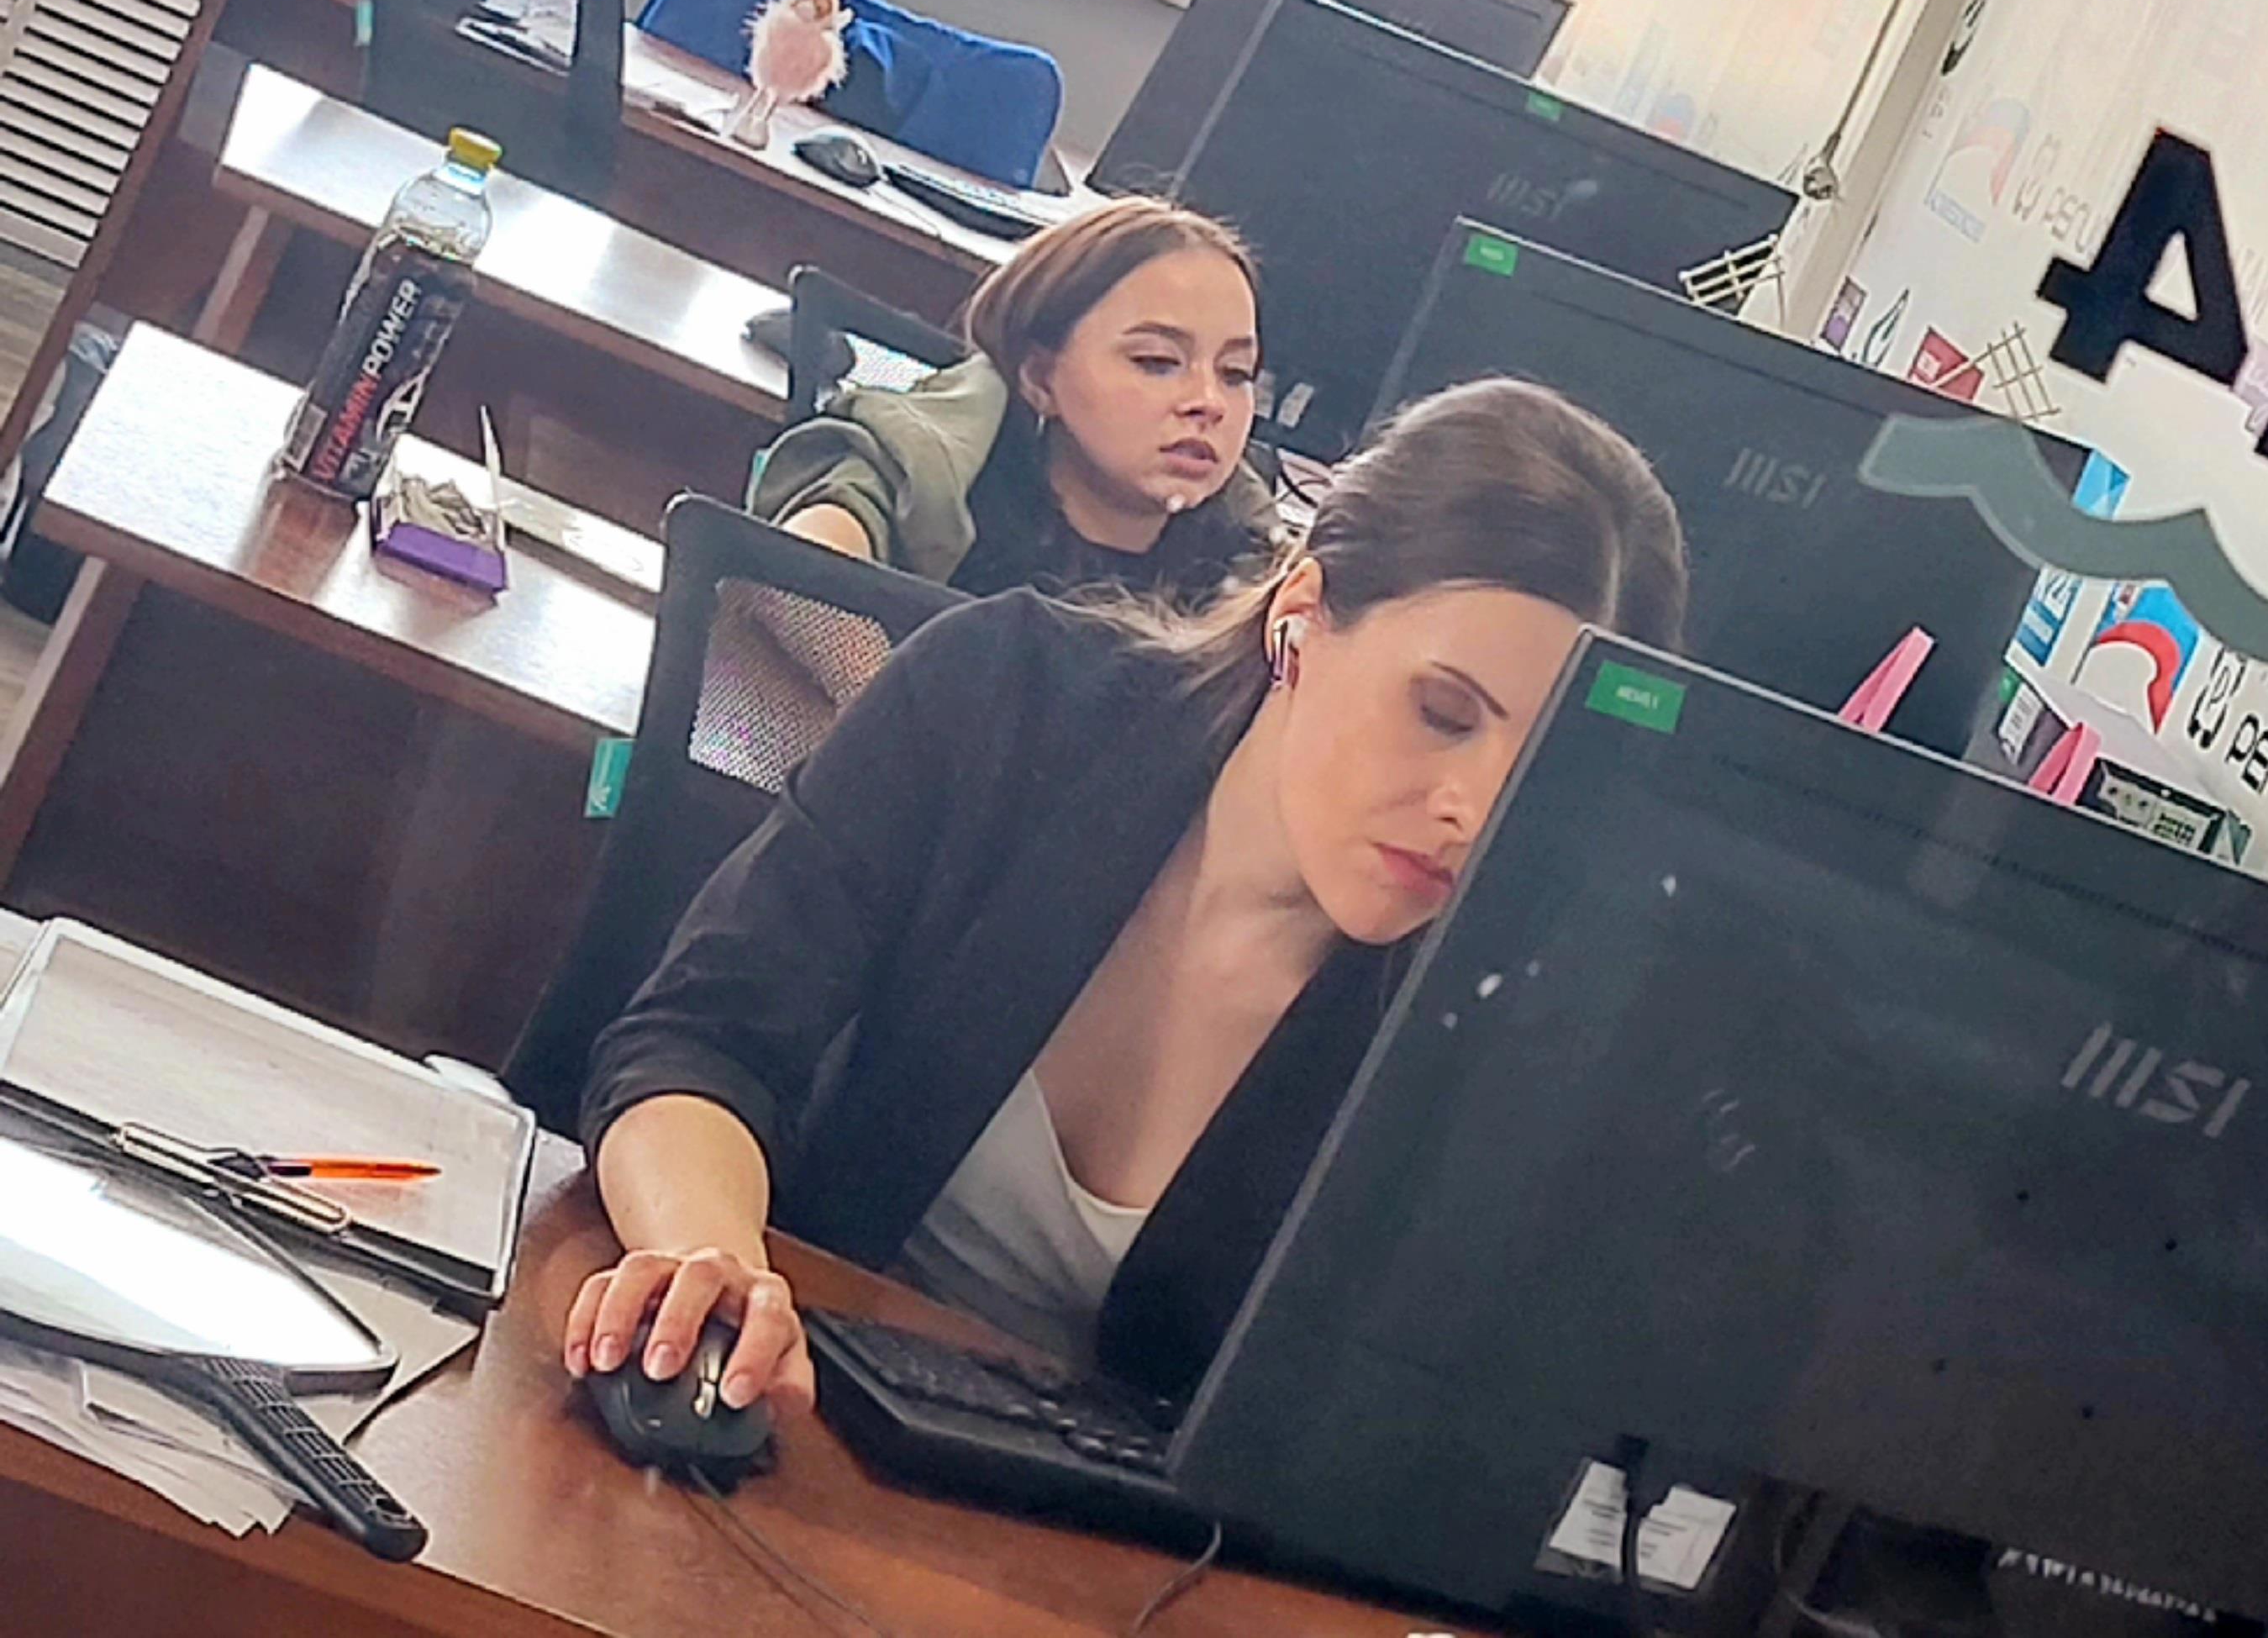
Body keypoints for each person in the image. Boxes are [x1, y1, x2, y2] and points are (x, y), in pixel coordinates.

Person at [566, 378, 1687, 1420]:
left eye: (1543, 768)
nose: (1474, 811)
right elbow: (699, 1040)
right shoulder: (1007, 700)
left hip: (1087, 1536)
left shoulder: (1492, 1016)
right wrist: (710, 1263)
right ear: (1301, 613)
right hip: (784, 1399)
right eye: (1442, 714)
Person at [752, 198, 1273, 601]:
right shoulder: (926, 476)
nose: (1210, 402)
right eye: (1157, 362)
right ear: (1040, 378)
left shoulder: (1254, 574)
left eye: (1235, 373)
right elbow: (787, 586)